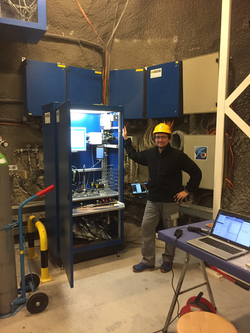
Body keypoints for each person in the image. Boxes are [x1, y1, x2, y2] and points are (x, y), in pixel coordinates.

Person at [123, 123, 202, 273]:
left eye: (163, 137)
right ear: (154, 138)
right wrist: (126, 140)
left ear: (169, 138)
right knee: (146, 228)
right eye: (158, 137)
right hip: (152, 201)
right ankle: (148, 261)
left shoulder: (178, 156)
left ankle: (167, 260)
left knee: (171, 231)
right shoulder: (149, 154)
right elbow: (133, 155)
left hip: (171, 202)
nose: (160, 140)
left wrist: (188, 191)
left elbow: (196, 172)